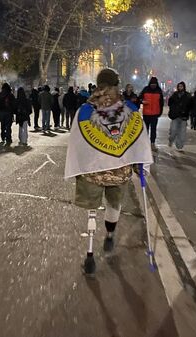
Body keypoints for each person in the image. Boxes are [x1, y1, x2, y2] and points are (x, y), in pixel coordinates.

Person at [65, 68, 153, 272]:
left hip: (93, 171)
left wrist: (79, 165)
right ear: (117, 84)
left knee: (92, 210)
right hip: (119, 170)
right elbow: (138, 141)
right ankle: (111, 234)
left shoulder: (85, 110)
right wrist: (139, 165)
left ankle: (89, 255)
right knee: (114, 205)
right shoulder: (130, 109)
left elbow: (78, 141)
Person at [139, 77, 164, 151]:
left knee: (153, 129)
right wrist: (142, 101)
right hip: (146, 113)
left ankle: (152, 143)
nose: (153, 86)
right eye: (152, 84)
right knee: (145, 129)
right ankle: (145, 143)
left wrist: (160, 112)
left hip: (155, 114)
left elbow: (161, 103)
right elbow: (139, 98)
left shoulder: (159, 91)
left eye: (154, 84)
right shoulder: (145, 89)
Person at [167, 81, 192, 152]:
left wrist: (187, 111)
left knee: (182, 133)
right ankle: (171, 140)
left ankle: (179, 145)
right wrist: (172, 111)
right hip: (175, 116)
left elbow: (191, 105)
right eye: (179, 86)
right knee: (173, 130)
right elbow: (170, 103)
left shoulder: (188, 95)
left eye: (182, 86)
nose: (180, 88)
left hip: (183, 117)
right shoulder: (174, 95)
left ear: (184, 87)